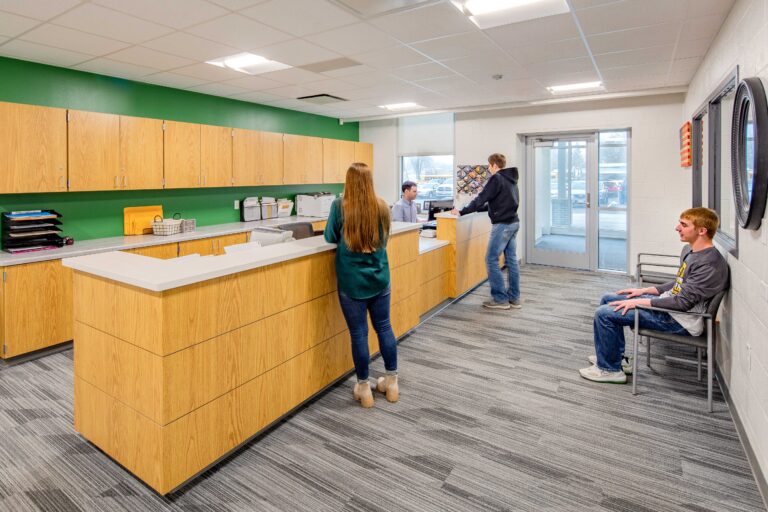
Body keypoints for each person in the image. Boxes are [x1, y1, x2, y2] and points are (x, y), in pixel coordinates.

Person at [580, 207, 729, 384]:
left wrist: (640, 303)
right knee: (608, 298)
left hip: (679, 320)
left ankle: (609, 370)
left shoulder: (708, 264)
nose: (677, 228)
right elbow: (679, 283)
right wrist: (644, 291)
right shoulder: (695, 253)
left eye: (683, 224)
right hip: (670, 308)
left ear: (702, 231)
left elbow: (683, 303)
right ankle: (615, 359)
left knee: (604, 314)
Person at [324, 162, 399, 408]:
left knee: (359, 334)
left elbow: (329, 237)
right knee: (384, 328)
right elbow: (385, 239)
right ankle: (391, 383)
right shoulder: (381, 205)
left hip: (351, 281)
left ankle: (364, 388)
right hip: (379, 278)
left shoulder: (339, 206)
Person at [450, 153, 521, 310]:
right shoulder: (511, 179)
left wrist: (461, 212)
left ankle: (500, 299)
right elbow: (495, 202)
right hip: (514, 222)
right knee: (511, 260)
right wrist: (478, 209)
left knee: (491, 259)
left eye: (489, 165)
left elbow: (481, 198)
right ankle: (514, 298)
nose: (488, 169)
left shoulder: (497, 178)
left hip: (502, 225)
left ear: (495, 165)